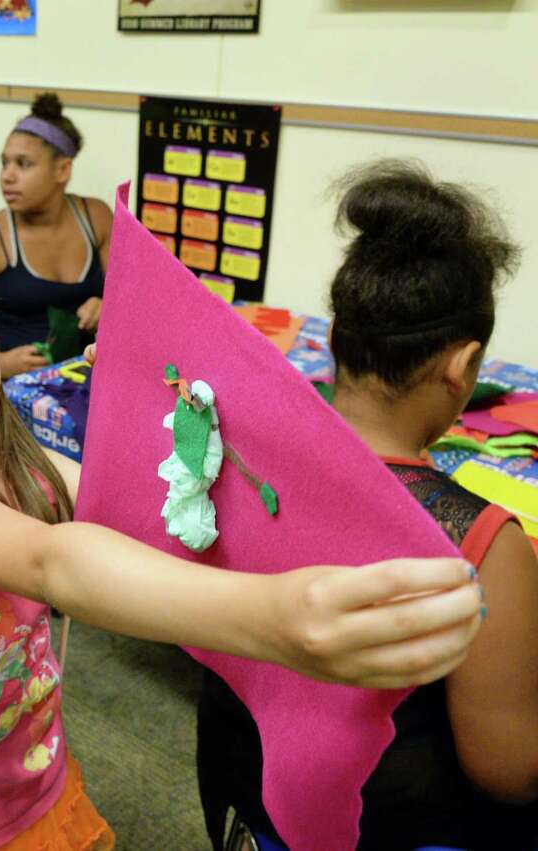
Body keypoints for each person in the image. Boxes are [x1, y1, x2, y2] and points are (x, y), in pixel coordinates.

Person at [0, 253, 485, 850]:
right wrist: (279, 616)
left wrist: (139, 395)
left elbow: (126, 512)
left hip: (25, 782)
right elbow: (57, 560)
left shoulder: (20, 459)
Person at [196, 161, 538, 850]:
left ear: (340, 338)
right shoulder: (483, 544)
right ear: (462, 367)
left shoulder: (235, 462)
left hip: (244, 803)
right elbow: (508, 771)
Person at [0, 93, 111, 379]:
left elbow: (132, 302)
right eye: (5, 163)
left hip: (87, 386)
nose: (7, 176)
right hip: (14, 395)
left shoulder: (97, 218)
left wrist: (107, 307)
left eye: (23, 164)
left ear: (63, 169)